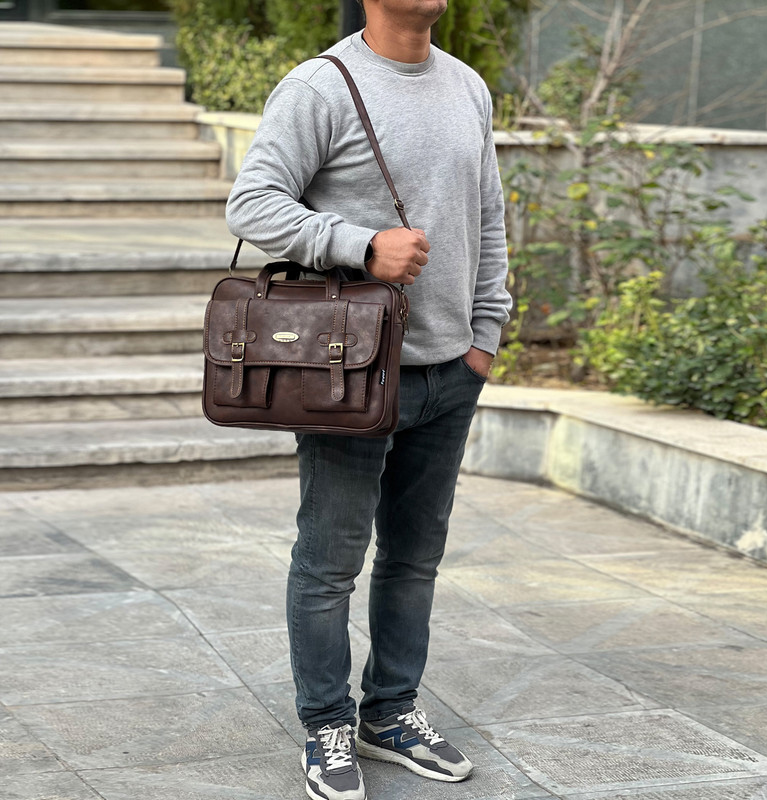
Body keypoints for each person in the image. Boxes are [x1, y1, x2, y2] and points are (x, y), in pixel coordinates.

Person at [226, 1, 512, 798]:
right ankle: (326, 723)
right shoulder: (320, 85)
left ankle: (390, 713)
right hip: (349, 373)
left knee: (415, 559)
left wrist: (486, 334)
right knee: (329, 563)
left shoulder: (467, 86)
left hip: (451, 370)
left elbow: (489, 215)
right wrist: (360, 245)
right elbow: (251, 202)